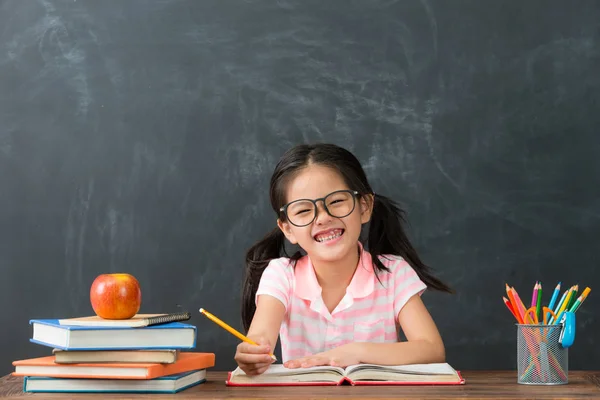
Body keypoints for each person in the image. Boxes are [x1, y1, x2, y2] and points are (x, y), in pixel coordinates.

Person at [235, 143, 452, 376]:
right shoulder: (281, 275)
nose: (323, 218)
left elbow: (431, 348)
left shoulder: (393, 272)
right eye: (303, 211)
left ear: (364, 206)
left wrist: (357, 352)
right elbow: (260, 337)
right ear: (287, 229)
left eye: (337, 201)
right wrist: (252, 353)